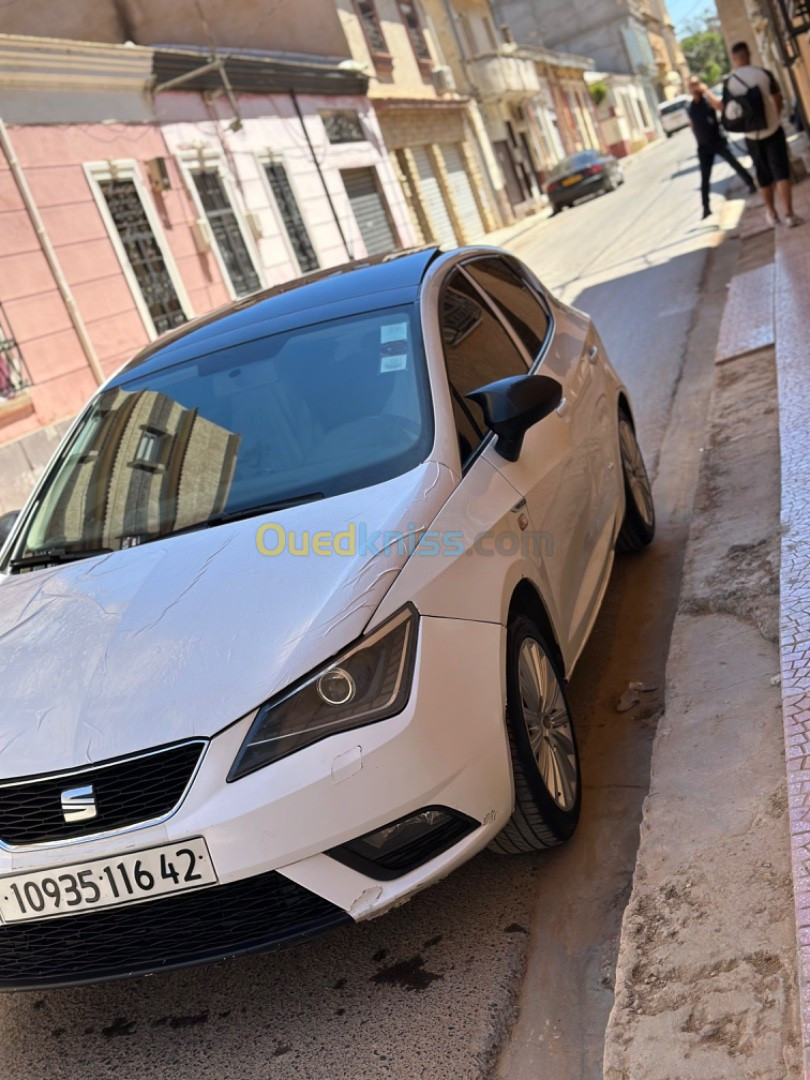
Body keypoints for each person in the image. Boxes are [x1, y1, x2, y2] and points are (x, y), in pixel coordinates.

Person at [725, 41, 802, 227]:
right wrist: (775, 115)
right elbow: (777, 98)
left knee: (762, 176)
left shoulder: (730, 83)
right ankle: (790, 215)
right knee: (781, 172)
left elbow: (729, 111)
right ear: (749, 54)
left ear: (734, 59)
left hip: (752, 136)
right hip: (773, 129)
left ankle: (772, 214)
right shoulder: (763, 74)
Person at [687, 75, 756, 220]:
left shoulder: (708, 101)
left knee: (734, 163)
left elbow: (720, 106)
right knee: (705, 178)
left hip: (717, 141)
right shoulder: (690, 107)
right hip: (704, 147)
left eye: (696, 84)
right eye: (691, 85)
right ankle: (706, 207)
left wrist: (706, 91)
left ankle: (750, 183)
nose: (694, 88)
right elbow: (692, 125)